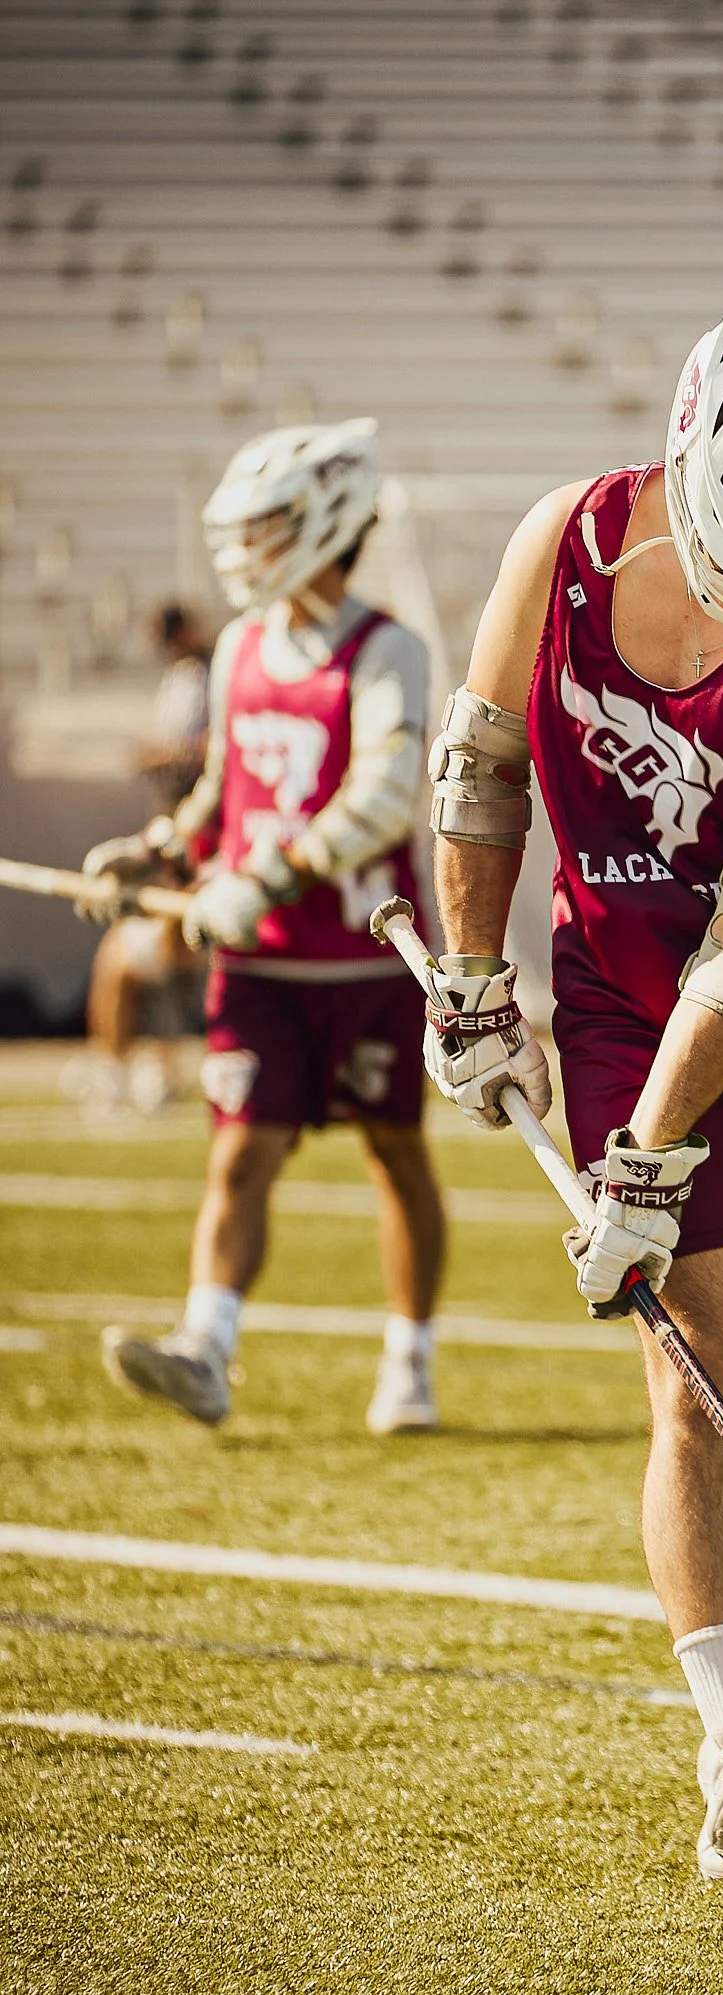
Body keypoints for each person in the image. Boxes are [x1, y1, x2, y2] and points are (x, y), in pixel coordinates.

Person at [423, 293, 723, 1903]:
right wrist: (477, 982)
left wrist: (645, 1151)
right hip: (628, 996)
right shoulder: (562, 536)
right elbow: (486, 760)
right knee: (701, 1371)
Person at [85, 418, 448, 1437]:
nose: (248, 548)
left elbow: (382, 799)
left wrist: (272, 875)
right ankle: (207, 1346)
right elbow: (221, 786)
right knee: (241, 1154)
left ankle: (409, 1354)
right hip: (259, 967)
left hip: (361, 959)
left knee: (396, 1155)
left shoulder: (388, 649)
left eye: (273, 523)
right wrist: (160, 847)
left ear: (329, 521)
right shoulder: (241, 644)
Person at [72, 603, 214, 1115]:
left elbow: (211, 752)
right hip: (169, 834)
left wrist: (173, 756)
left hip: (197, 846)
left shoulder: (217, 672)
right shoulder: (179, 679)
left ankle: (155, 1064)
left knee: (157, 959)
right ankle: (120, 1065)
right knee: (126, 960)